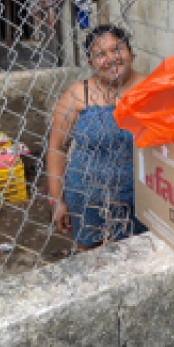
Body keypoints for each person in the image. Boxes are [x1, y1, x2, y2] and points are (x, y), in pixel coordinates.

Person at [47, 25, 146, 251]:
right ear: (91, 62)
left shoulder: (149, 88)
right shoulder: (76, 94)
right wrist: (56, 201)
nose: (111, 59)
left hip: (138, 195)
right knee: (93, 259)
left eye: (117, 49)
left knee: (136, 257)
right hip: (85, 195)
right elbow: (57, 148)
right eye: (100, 54)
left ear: (130, 52)